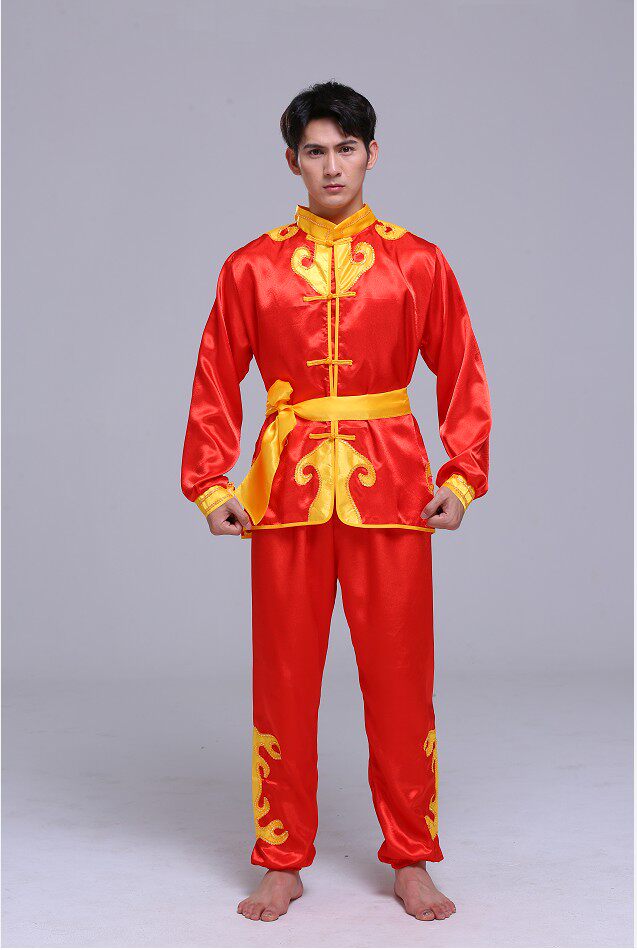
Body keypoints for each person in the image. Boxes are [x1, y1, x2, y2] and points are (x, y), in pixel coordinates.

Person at [181, 80, 491, 923]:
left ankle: (411, 855)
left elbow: (461, 368)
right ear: (291, 161)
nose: (331, 166)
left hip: (391, 491)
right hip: (284, 494)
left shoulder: (417, 260)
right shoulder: (250, 266)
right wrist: (211, 482)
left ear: (371, 155)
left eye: (345, 149)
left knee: (400, 681)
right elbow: (215, 375)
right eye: (314, 151)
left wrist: (461, 475)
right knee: (282, 681)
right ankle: (280, 858)